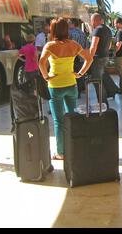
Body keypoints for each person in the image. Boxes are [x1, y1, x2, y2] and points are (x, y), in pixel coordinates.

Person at [39, 18, 93, 160]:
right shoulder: (74, 45)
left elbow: (41, 63)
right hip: (71, 84)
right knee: (72, 117)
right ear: (66, 30)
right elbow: (89, 59)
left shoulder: (50, 46)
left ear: (53, 30)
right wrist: (80, 74)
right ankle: (74, 148)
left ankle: (61, 153)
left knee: (59, 121)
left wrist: (46, 77)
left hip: (55, 86)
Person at [88, 13, 113, 98]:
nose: (91, 23)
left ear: (95, 20)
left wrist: (89, 58)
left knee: (97, 81)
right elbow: (109, 45)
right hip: (105, 56)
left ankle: (102, 103)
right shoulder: (108, 30)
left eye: (91, 21)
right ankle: (112, 92)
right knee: (104, 78)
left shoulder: (97, 30)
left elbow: (93, 45)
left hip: (98, 58)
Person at [68, 19, 89, 98]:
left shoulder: (70, 33)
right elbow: (87, 46)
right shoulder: (82, 33)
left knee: (74, 75)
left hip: (74, 57)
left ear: (72, 24)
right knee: (80, 73)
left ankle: (77, 93)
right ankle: (82, 89)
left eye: (69, 23)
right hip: (82, 57)